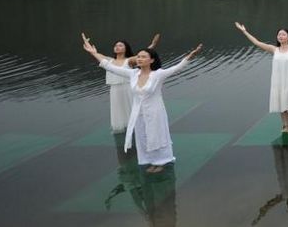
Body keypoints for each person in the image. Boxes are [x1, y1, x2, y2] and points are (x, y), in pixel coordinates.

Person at [82, 34, 203, 173]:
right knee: (142, 136)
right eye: (138, 56)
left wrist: (191, 56)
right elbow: (109, 67)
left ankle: (161, 162)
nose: (139, 59)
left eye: (143, 57)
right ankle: (149, 161)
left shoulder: (158, 74)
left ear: (151, 60)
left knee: (156, 135)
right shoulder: (133, 74)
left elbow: (176, 68)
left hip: (155, 111)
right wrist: (93, 53)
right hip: (138, 112)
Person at [234, 23, 288, 132]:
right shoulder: (274, 49)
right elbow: (257, 42)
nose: (280, 36)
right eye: (279, 34)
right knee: (282, 105)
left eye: (283, 34)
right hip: (278, 82)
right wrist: (244, 31)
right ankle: (285, 125)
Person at [85, 33, 160, 133]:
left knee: (132, 108)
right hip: (114, 90)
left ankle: (138, 127)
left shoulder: (129, 60)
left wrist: (152, 45)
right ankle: (123, 130)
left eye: (120, 45)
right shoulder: (109, 60)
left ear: (126, 49)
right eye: (116, 45)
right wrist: (91, 50)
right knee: (119, 112)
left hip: (128, 88)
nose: (117, 47)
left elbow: (141, 56)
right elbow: (96, 54)